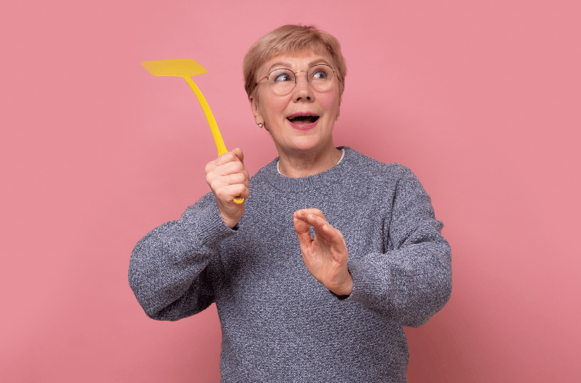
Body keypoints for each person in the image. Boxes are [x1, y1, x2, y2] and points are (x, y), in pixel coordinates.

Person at [129, 24, 452, 382]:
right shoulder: (230, 207)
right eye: (282, 77)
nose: (303, 91)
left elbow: (433, 281)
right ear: (256, 108)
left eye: (320, 74)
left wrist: (350, 278)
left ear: (339, 99)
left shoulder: (391, 186)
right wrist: (216, 220)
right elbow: (150, 290)